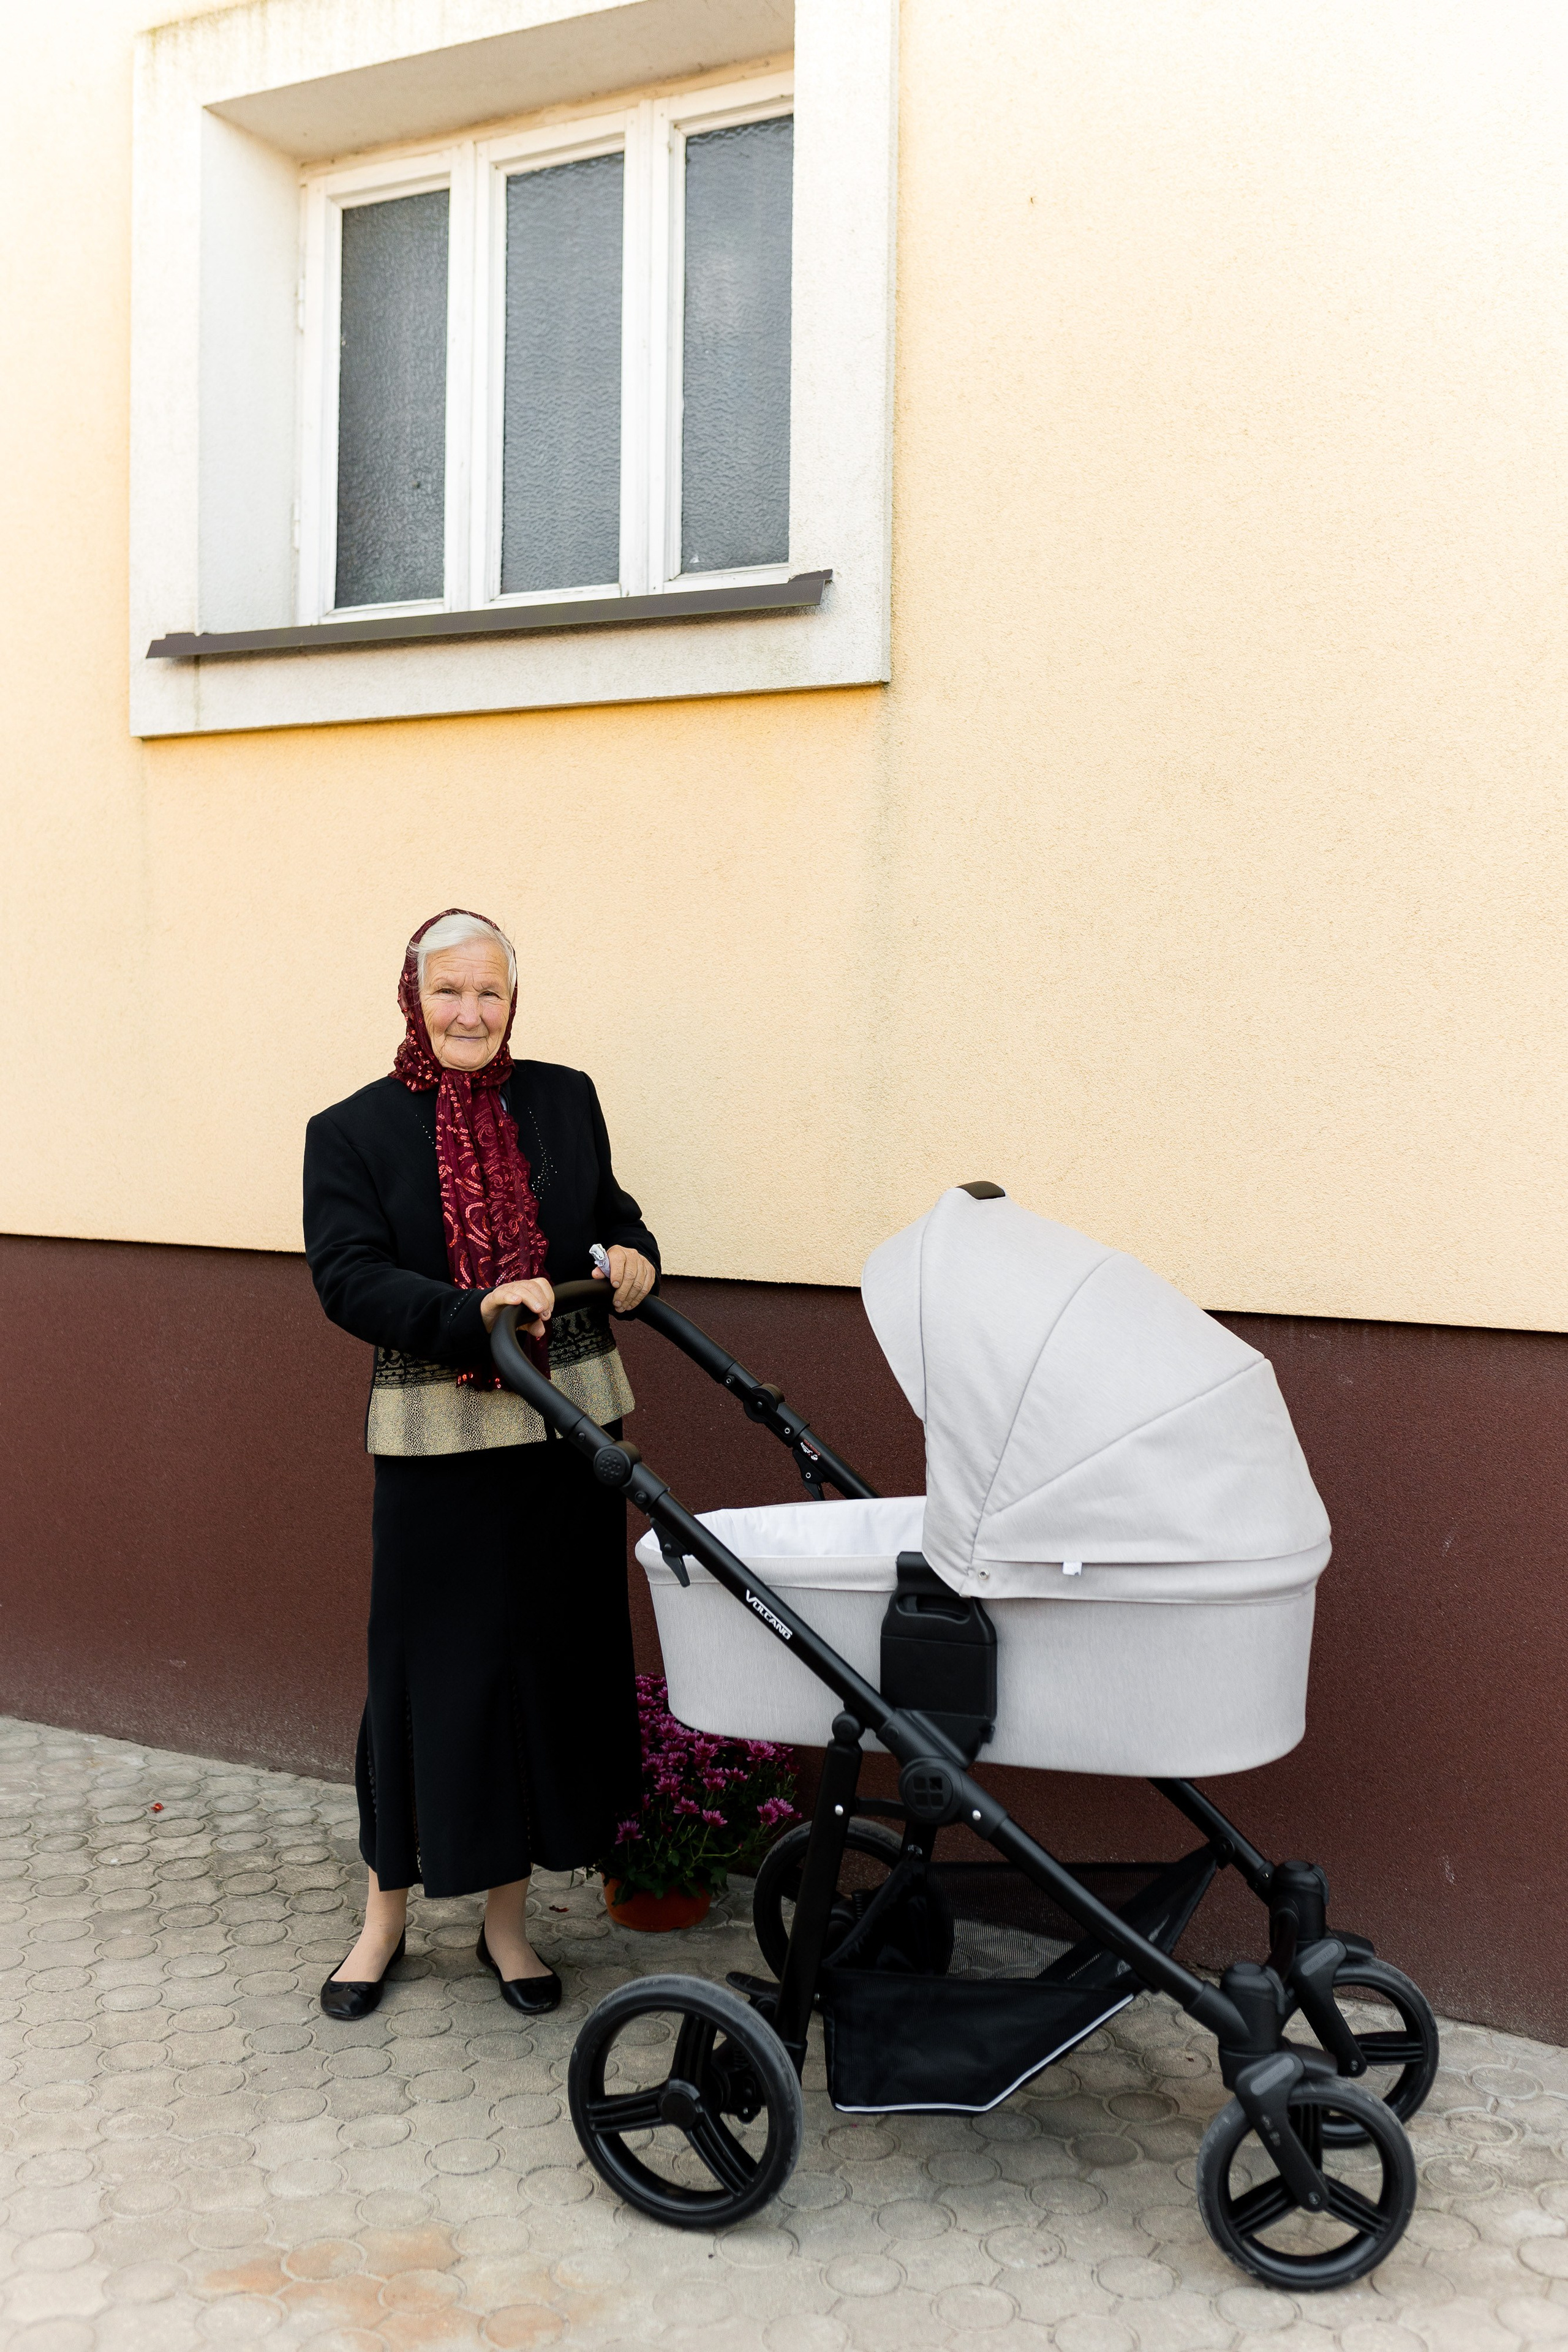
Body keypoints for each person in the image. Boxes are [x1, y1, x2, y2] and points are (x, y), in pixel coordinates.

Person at [303, 909, 658, 2021]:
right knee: (425, 1675)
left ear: (514, 999)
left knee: (539, 1668)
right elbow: (348, 1277)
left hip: (567, 1434)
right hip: (439, 1445)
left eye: (489, 991)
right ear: (414, 997)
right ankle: (383, 1920)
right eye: (449, 990)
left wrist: (633, 1254)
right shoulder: (351, 1130)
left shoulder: (564, 1098)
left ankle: (508, 1925)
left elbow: (609, 1217)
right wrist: (473, 1311)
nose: (470, 1012)